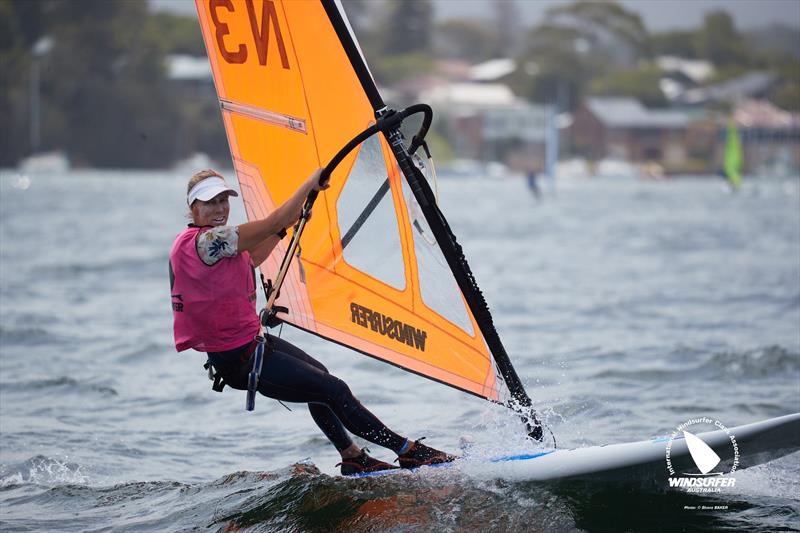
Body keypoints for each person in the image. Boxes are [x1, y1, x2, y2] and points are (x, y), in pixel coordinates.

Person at [169, 169, 456, 475]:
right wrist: (308, 185)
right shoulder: (208, 241)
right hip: (240, 360)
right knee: (334, 390)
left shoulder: (218, 245)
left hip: (250, 346)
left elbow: (253, 257)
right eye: (209, 203)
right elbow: (272, 222)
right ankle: (408, 451)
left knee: (322, 378)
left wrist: (283, 232)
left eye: (223, 200)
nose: (219, 209)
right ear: (193, 208)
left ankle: (352, 456)